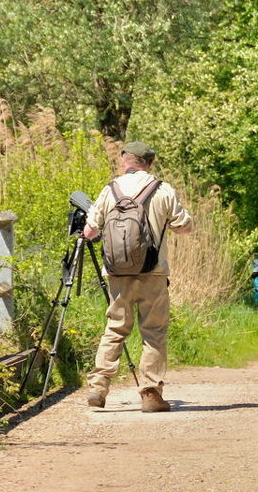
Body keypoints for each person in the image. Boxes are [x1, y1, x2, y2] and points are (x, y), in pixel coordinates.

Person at [83, 141, 192, 413]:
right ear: (150, 163)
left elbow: (90, 231)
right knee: (153, 332)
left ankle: (98, 386)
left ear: (125, 161)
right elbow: (184, 227)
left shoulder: (110, 190)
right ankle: (151, 393)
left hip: (117, 274)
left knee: (116, 328)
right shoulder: (163, 190)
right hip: (153, 273)